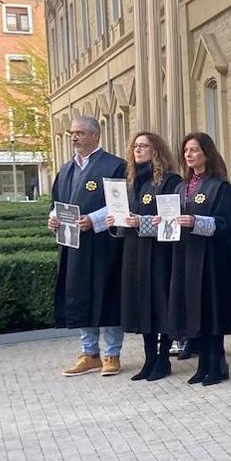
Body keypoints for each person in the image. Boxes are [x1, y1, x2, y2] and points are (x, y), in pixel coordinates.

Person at [162, 132, 231, 386]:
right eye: (186, 150)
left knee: (211, 309)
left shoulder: (221, 188)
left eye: (194, 150)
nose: (189, 155)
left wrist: (196, 222)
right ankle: (202, 364)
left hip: (211, 258)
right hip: (185, 255)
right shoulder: (180, 187)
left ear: (207, 153)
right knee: (192, 310)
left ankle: (217, 363)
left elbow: (226, 224)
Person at [50, 116, 126, 376]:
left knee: (108, 296)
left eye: (80, 133)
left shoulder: (114, 166)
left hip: (104, 245)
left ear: (95, 135)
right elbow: (57, 203)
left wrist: (93, 221)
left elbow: (120, 204)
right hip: (74, 246)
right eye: (72, 133)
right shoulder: (65, 170)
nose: (74, 137)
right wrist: (53, 219)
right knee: (80, 296)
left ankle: (112, 354)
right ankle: (89, 352)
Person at [112, 132, 182, 382]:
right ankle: (149, 357)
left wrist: (140, 223)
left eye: (144, 146)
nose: (138, 150)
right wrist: (117, 222)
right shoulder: (130, 182)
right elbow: (125, 220)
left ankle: (163, 358)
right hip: (134, 251)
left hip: (160, 252)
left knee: (160, 304)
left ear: (157, 150)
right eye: (135, 146)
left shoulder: (170, 181)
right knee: (142, 305)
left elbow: (172, 221)